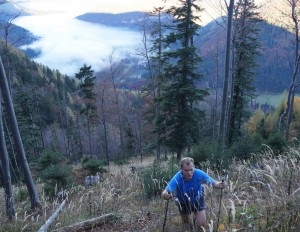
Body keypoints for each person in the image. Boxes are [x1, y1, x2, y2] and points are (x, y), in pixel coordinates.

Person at [162, 157, 225, 229]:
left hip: (198, 199)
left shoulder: (199, 173)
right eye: (186, 170)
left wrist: (220, 184)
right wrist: (165, 195)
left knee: (202, 224)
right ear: (181, 169)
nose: (189, 173)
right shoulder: (177, 177)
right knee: (186, 224)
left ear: (194, 167)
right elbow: (165, 191)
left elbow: (213, 183)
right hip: (183, 201)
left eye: (191, 170)